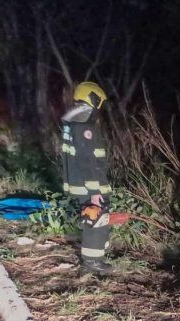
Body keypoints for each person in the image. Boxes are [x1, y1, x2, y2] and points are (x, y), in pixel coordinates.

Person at [61, 82, 113, 274]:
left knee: (92, 218)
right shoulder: (84, 126)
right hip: (89, 185)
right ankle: (93, 262)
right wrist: (95, 191)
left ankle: (94, 256)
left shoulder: (72, 122)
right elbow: (88, 161)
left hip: (78, 182)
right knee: (97, 219)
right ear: (93, 99)